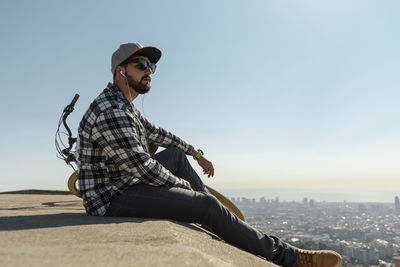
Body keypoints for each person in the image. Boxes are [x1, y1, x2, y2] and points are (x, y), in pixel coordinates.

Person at [76, 42, 342, 267]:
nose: (150, 72)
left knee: (176, 157)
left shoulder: (126, 106)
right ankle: (288, 256)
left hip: (125, 182)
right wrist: (189, 192)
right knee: (206, 205)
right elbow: (143, 167)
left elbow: (160, 135)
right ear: (121, 71)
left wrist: (195, 153)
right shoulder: (111, 110)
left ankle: (213, 215)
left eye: (152, 67)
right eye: (141, 65)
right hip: (111, 198)